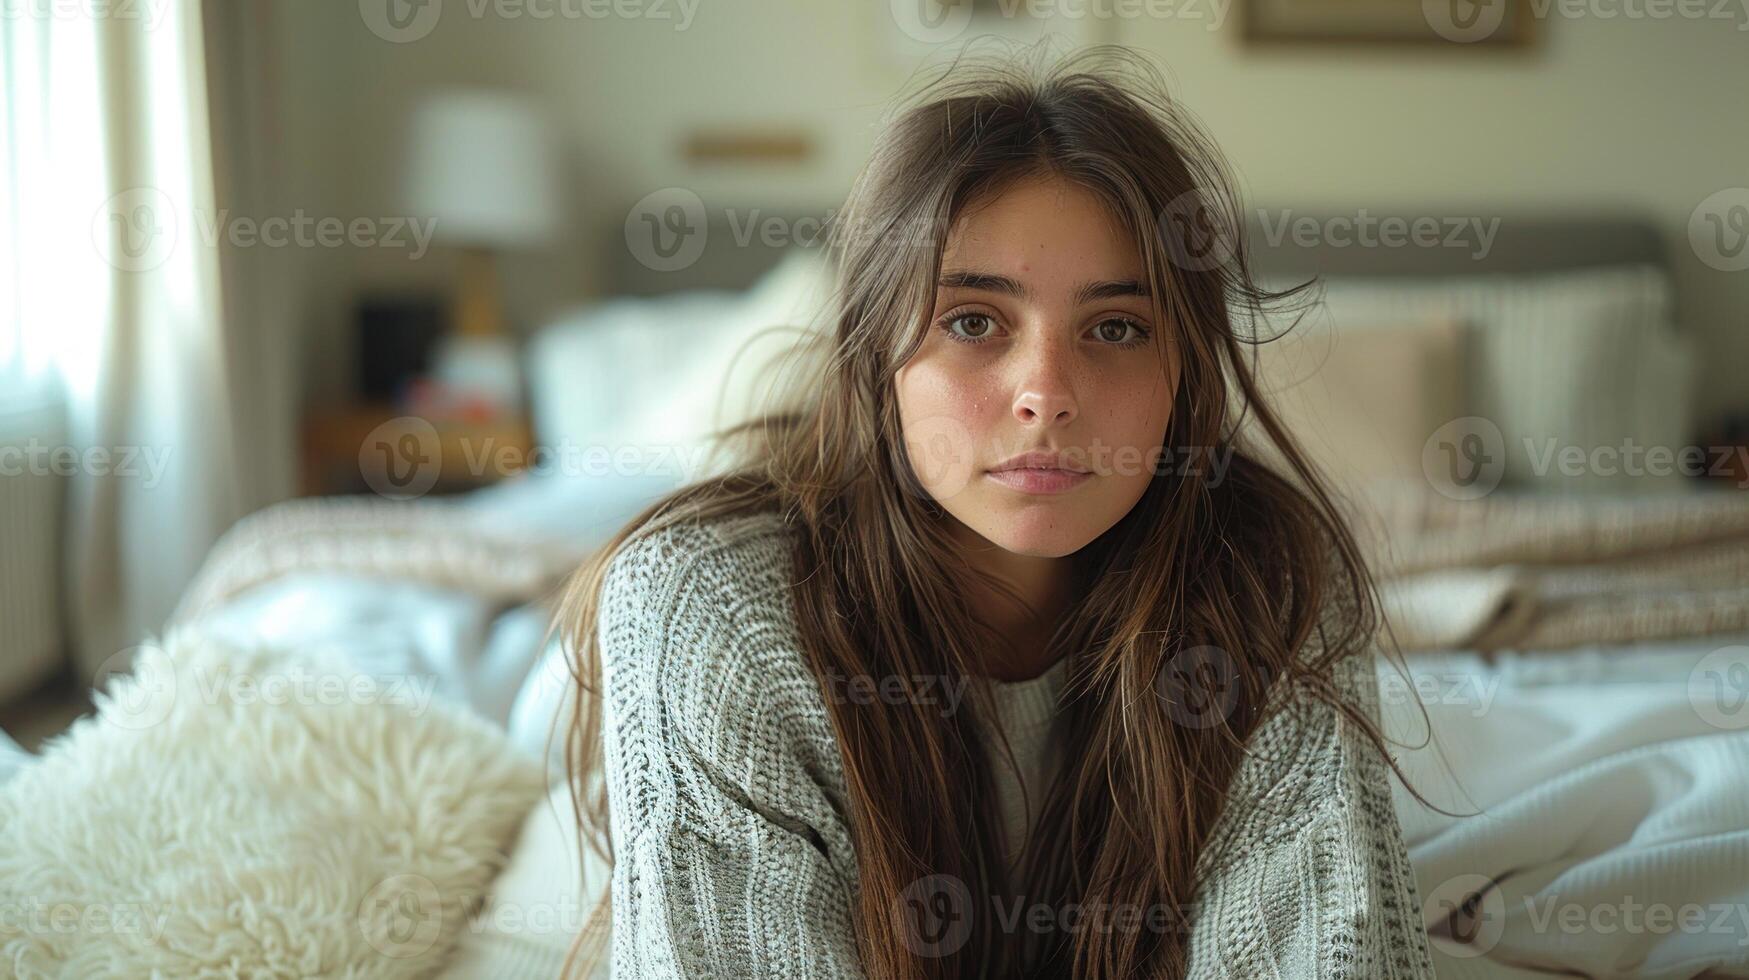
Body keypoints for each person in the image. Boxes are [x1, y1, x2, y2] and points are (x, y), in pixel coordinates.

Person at [553, 44, 1444, 979]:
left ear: (1183, 376)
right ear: (874, 357)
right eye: (973, 321)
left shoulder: (1275, 585)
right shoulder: (709, 606)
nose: (1046, 394)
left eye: (1116, 328)